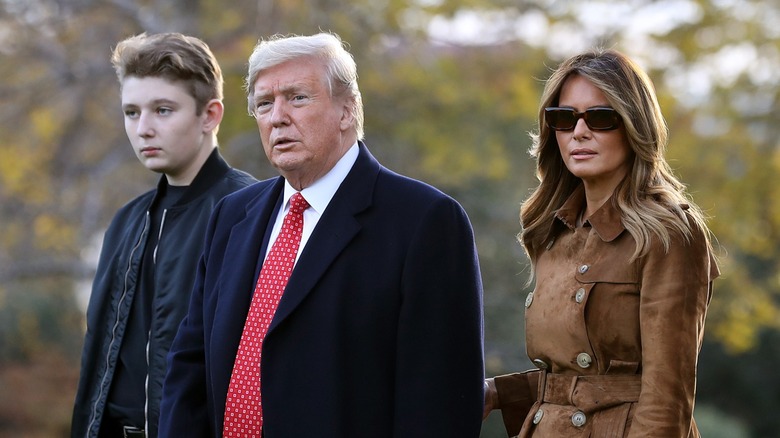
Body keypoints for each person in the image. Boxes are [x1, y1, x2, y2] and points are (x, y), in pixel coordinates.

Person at [158, 32, 485, 437]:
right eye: (264, 103)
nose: (277, 116)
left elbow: (439, 402)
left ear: (347, 110)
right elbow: (190, 366)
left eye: (297, 97)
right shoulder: (232, 215)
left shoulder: (425, 221)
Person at [483, 49, 719, 437]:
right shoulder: (552, 230)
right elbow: (579, 378)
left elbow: (667, 401)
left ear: (633, 125)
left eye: (600, 117)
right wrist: (496, 392)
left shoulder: (668, 233)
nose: (579, 131)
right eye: (564, 118)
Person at [71, 32, 257, 438]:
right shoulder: (127, 222)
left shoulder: (251, 212)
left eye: (163, 110)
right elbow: (99, 365)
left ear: (210, 115)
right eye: (132, 112)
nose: (144, 129)